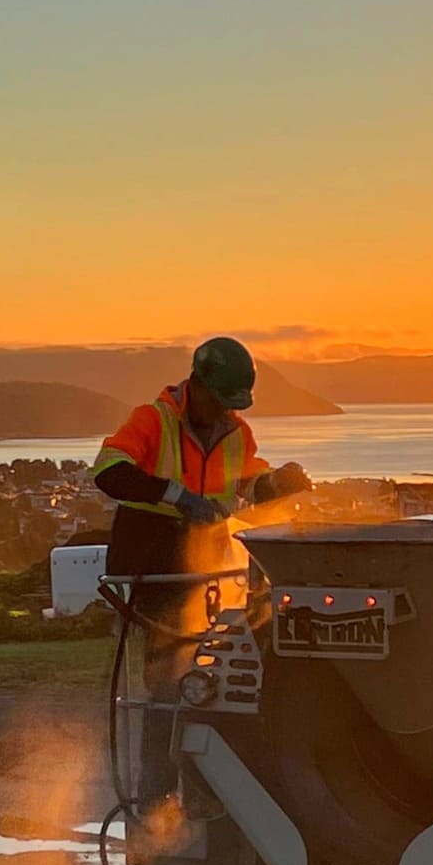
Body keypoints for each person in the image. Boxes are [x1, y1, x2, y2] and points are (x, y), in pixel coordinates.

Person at [93, 335, 308, 815]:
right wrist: (175, 495)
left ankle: (208, 793)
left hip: (206, 572)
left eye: (235, 406)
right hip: (151, 569)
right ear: (198, 384)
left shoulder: (237, 432)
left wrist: (277, 483)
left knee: (218, 683)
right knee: (167, 686)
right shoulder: (153, 420)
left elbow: (247, 484)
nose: (226, 414)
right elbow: (108, 472)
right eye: (221, 402)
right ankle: (157, 799)